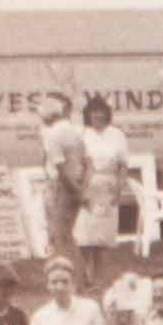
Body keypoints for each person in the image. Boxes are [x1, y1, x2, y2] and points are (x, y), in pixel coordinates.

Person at [66, 97, 130, 291]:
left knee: (103, 241)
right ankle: (84, 278)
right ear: (88, 114)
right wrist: (81, 191)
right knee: (84, 239)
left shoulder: (117, 135)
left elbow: (123, 165)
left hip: (109, 189)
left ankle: (99, 281)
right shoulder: (82, 134)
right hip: (88, 188)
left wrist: (119, 190)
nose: (98, 115)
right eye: (94, 112)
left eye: (101, 111)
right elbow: (75, 164)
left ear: (107, 113)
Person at [38, 95, 87, 272]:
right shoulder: (73, 131)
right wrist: (80, 188)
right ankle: (67, 274)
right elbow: (86, 162)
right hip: (70, 183)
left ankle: (78, 278)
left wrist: (75, 191)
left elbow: (60, 168)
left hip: (61, 186)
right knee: (62, 234)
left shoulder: (53, 134)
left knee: (60, 236)